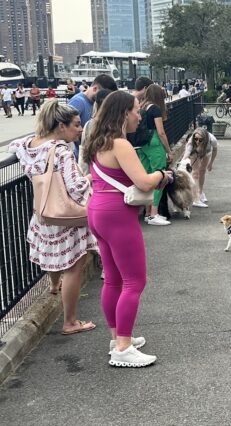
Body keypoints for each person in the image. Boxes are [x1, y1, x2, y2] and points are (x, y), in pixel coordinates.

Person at [83, 91, 172, 367]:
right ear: (123, 113)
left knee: (112, 279)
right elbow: (144, 182)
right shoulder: (120, 144)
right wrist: (163, 175)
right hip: (118, 215)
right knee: (135, 281)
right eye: (135, 110)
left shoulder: (97, 141)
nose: (139, 115)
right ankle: (123, 347)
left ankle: (118, 338)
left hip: (98, 211)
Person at [8, 101, 98, 335]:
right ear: (61, 126)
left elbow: (13, 145)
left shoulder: (29, 144)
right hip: (66, 217)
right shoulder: (61, 150)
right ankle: (70, 321)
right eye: (76, 125)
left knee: (55, 257)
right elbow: (76, 187)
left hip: (44, 213)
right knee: (74, 265)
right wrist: (88, 179)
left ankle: (53, 285)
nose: (80, 130)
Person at [137, 84, 174, 225]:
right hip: (154, 144)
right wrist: (168, 151)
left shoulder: (142, 106)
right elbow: (161, 132)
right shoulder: (155, 109)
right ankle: (154, 214)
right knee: (159, 177)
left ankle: (147, 212)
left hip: (142, 145)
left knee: (146, 177)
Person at [68, 74, 118, 160]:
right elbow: (66, 128)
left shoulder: (96, 104)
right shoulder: (78, 102)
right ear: (95, 88)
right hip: (83, 156)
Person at [182, 127, 218, 207]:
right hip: (195, 153)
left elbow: (215, 150)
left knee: (202, 171)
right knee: (195, 173)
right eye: (196, 139)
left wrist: (211, 163)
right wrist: (183, 161)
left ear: (205, 139)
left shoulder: (212, 139)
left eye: (200, 140)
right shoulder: (192, 141)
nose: (197, 141)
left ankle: (200, 192)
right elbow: (187, 152)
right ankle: (196, 199)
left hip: (206, 152)